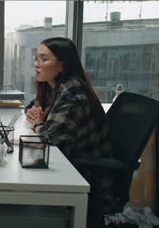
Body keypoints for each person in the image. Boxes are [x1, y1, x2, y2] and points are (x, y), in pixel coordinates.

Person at [25, 37, 121, 218]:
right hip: (68, 164)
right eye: (36, 58)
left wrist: (38, 124)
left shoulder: (73, 89)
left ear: (63, 65)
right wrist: (34, 114)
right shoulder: (52, 86)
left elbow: (49, 138)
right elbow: (32, 107)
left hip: (85, 176)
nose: (37, 64)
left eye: (44, 59)